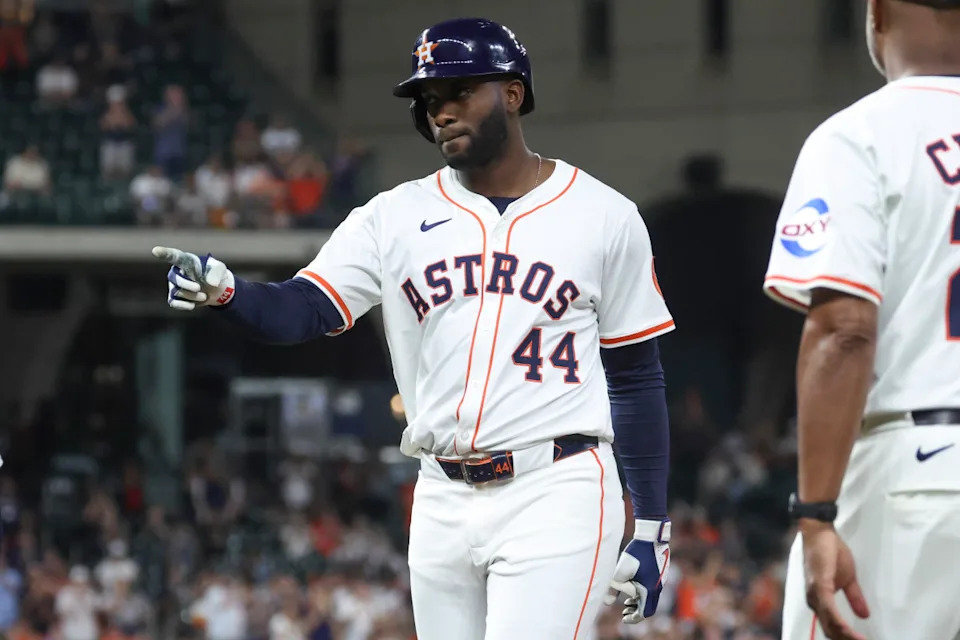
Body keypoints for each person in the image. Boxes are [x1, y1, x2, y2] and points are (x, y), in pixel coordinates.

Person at [153, 17, 674, 639]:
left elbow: (635, 377)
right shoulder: (392, 217)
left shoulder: (604, 215)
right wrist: (229, 292)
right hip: (440, 493)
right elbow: (305, 308)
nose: (441, 112)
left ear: (512, 93)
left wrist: (650, 526)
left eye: (460, 93)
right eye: (430, 99)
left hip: (556, 484)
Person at [763, 1, 960, 639]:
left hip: (917, 479)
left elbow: (844, 330)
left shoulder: (863, 133)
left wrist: (816, 514)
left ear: (876, 14)